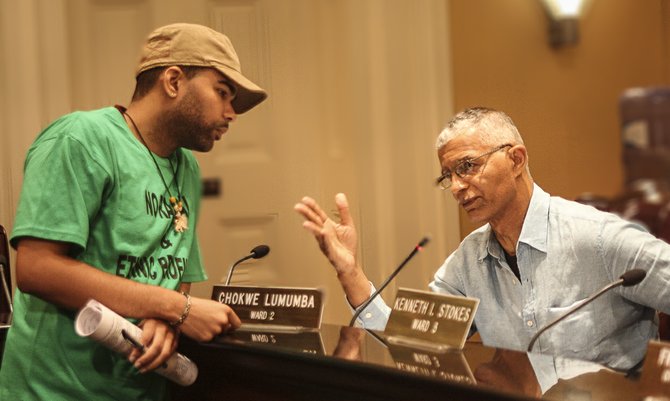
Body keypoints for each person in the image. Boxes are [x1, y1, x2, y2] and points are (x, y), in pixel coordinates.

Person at [0, 22, 267, 400]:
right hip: (52, 391)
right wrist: (180, 309)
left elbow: (176, 270)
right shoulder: (80, 139)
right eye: (222, 93)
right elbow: (37, 269)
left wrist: (167, 318)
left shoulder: (187, 167)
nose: (231, 113)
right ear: (173, 81)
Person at [294, 107, 670, 371]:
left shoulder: (599, 238)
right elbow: (410, 341)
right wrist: (351, 273)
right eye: (447, 176)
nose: (457, 186)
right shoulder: (468, 261)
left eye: (468, 166)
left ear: (517, 159)